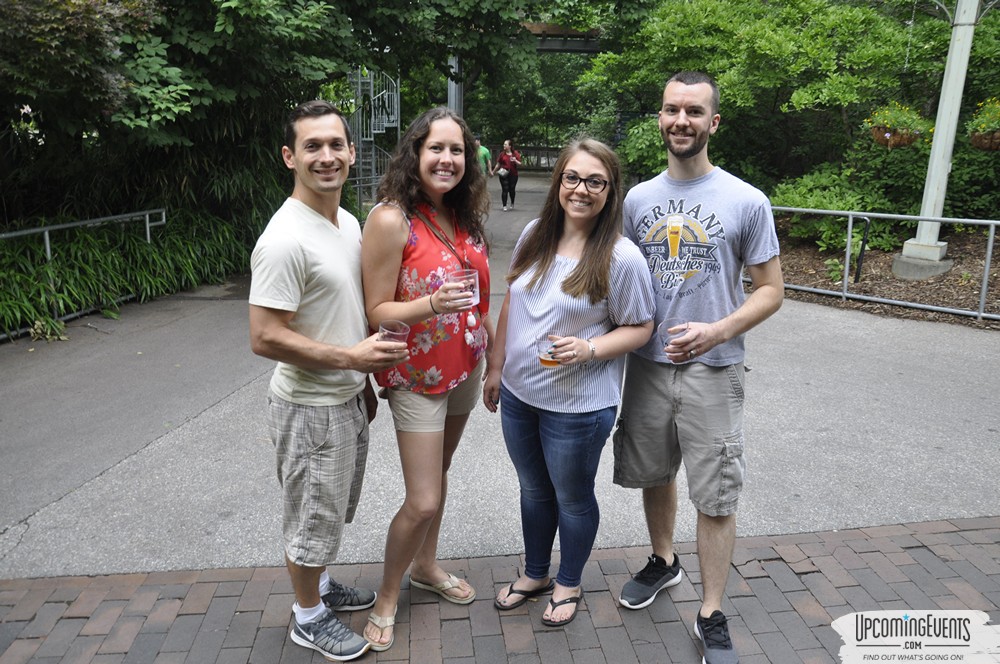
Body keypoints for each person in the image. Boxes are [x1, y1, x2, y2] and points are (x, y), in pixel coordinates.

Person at [613, 71, 784, 664]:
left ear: (714, 122)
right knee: (654, 473)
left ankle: (711, 611)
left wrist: (717, 331)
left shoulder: (746, 200)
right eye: (670, 110)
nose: (680, 120)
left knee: (716, 495)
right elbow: (614, 276)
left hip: (716, 369)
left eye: (693, 111)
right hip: (647, 367)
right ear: (659, 118)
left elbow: (770, 290)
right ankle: (664, 561)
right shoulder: (637, 200)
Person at [248, 100, 409, 662]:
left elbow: (340, 309)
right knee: (311, 517)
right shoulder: (284, 239)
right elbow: (265, 336)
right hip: (309, 407)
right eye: (312, 147)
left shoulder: (343, 220)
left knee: (326, 508)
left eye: (335, 145)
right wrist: (349, 359)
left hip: (342, 397)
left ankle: (316, 586)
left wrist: (360, 380)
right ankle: (307, 615)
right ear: (289, 156)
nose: (326, 157)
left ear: (351, 151)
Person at [483, 138, 656, 628]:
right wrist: (495, 368)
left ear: (610, 190)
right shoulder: (535, 233)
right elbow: (512, 302)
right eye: (573, 178)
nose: (581, 190)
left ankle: (568, 582)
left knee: (572, 497)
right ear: (559, 180)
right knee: (534, 491)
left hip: (577, 408)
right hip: (520, 395)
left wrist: (590, 348)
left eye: (595, 181)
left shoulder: (621, 258)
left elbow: (642, 326)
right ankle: (536, 574)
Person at [360, 106, 493, 652]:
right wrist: (430, 303)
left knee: (438, 477)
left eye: (457, 150)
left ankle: (427, 566)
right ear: (415, 152)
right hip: (417, 374)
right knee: (423, 499)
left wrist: (496, 361)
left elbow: (482, 298)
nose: (447, 158)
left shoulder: (463, 216)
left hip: (466, 366)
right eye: (436, 148)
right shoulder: (392, 218)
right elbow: (376, 310)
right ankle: (387, 595)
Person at [491, 138, 521, 211]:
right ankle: (504, 205)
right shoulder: (502, 154)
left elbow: (520, 164)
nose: (504, 145)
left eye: (505, 144)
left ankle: (512, 203)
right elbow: (498, 164)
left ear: (510, 146)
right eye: (504, 144)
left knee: (512, 189)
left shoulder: (515, 153)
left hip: (513, 174)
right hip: (503, 173)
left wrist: (515, 160)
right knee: (505, 189)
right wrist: (493, 172)